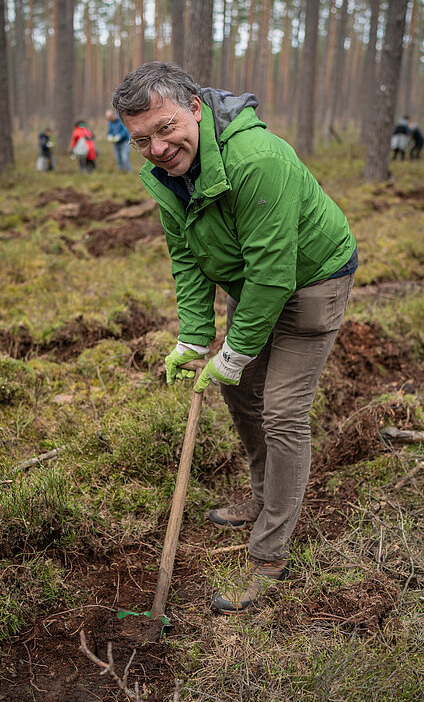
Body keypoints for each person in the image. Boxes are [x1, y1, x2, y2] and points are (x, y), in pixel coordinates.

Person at [113, 62, 357, 615]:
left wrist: (236, 350)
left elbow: (275, 274)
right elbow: (188, 258)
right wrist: (197, 340)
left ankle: (270, 558)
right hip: (253, 279)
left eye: (167, 127)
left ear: (195, 107)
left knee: (282, 409)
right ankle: (263, 493)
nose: (157, 147)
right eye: (142, 139)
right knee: (236, 389)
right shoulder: (165, 174)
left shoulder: (257, 159)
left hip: (313, 277)